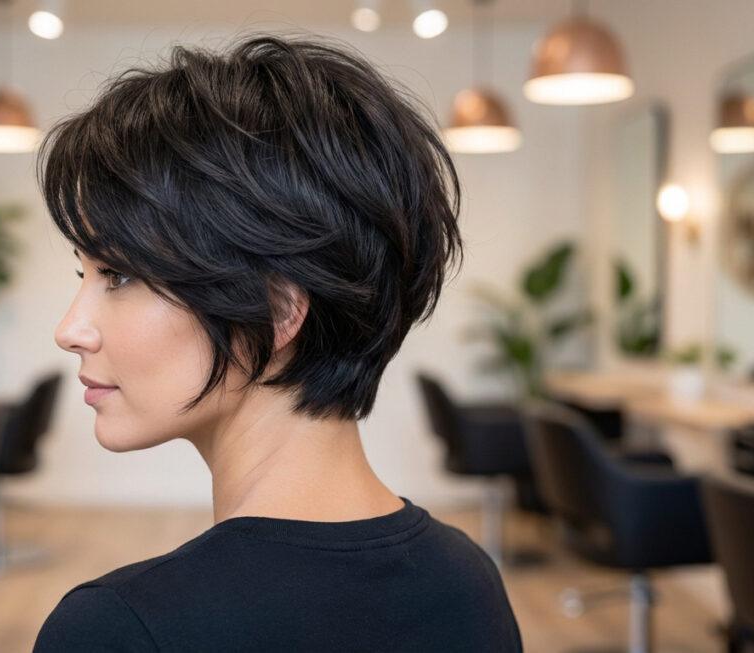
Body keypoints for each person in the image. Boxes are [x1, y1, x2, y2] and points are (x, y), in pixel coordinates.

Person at [33, 32, 522, 652]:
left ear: (278, 309)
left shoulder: (122, 629)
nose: (69, 330)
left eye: (119, 275)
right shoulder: (469, 579)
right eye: (85, 275)